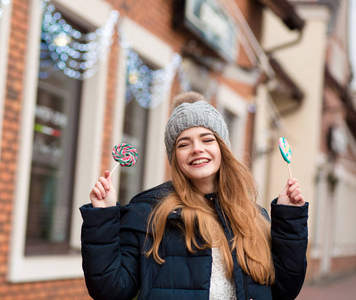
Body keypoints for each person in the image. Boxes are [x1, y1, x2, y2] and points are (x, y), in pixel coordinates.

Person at [80, 91, 308, 300]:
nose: (197, 148)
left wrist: (289, 219)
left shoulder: (253, 216)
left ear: (222, 149)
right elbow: (110, 291)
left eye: (207, 139)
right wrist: (103, 216)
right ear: (174, 158)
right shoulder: (148, 214)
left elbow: (284, 289)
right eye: (183, 144)